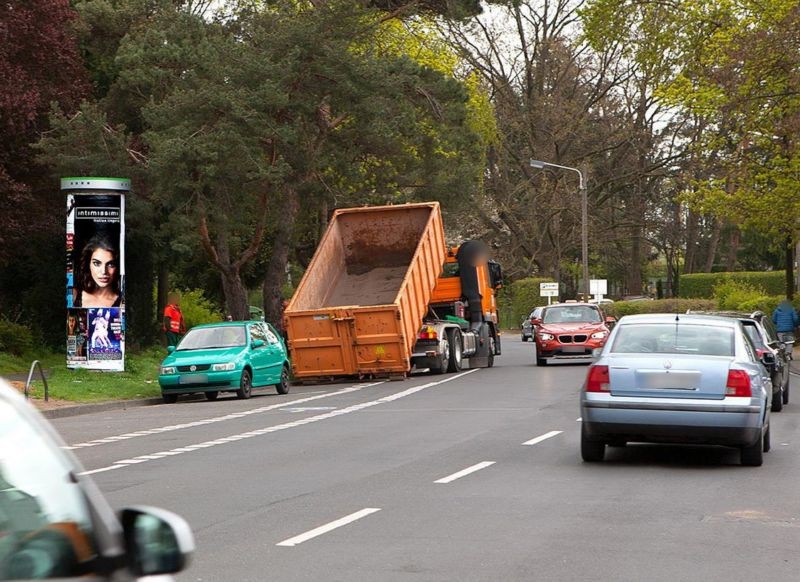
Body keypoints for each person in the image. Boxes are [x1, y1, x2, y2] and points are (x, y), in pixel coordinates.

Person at [73, 235, 121, 308]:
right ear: (88, 264)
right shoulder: (73, 295)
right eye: (97, 263)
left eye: (111, 264)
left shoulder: (122, 302)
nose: (103, 272)